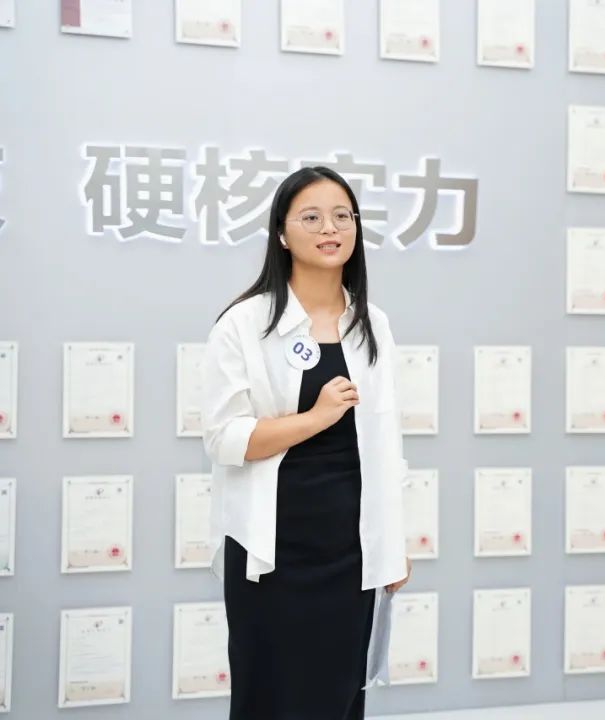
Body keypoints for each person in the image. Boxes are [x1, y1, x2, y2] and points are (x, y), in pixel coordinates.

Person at [200, 166, 411, 719]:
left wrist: (392, 542)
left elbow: (385, 445)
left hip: (351, 547)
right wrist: (314, 418)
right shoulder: (244, 324)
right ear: (281, 232)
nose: (330, 229)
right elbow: (225, 439)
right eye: (311, 217)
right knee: (272, 696)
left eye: (343, 216)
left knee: (339, 697)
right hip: (274, 548)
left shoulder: (372, 323)